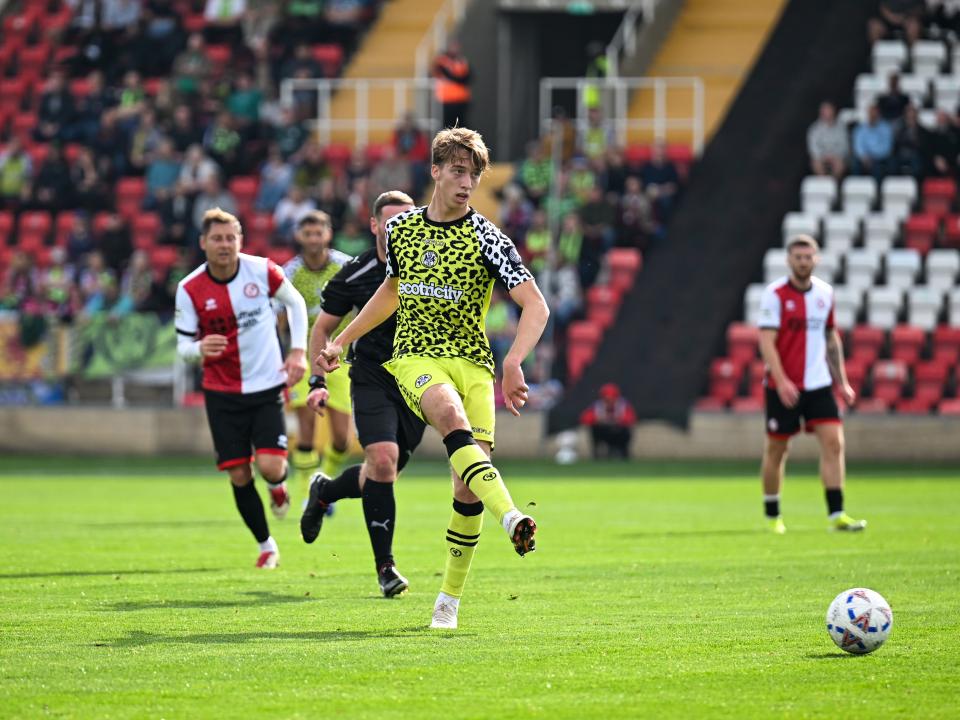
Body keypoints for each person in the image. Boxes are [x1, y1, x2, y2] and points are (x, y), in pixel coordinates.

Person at [316, 127, 550, 629]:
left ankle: (448, 601)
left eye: (475, 174)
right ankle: (511, 516)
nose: (468, 182)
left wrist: (513, 362)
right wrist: (343, 340)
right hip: (417, 357)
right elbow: (392, 292)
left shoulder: (487, 237)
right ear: (437, 171)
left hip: (475, 364)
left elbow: (536, 305)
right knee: (447, 414)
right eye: (459, 171)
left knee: (467, 490)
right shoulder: (404, 231)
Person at [299, 190, 427, 598]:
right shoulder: (355, 274)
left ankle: (325, 490)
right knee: (383, 461)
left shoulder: (432, 264)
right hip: (371, 377)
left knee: (382, 473)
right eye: (391, 222)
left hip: (419, 380)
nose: (399, 229)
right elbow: (322, 328)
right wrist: (317, 380)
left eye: (407, 220)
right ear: (374, 226)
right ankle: (385, 568)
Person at [175, 208, 308, 568]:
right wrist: (199, 350)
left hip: (266, 384)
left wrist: (298, 352)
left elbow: (295, 303)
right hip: (221, 392)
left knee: (270, 468)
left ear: (240, 241)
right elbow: (184, 347)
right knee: (238, 472)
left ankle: (278, 486)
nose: (224, 245)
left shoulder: (262, 271)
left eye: (230, 237)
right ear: (203, 243)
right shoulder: (189, 289)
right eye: (217, 238)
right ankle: (267, 545)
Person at [758, 235, 866, 535]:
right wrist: (781, 382)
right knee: (777, 450)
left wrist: (841, 383)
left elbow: (831, 339)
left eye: (808, 257)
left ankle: (837, 515)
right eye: (798, 257)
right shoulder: (774, 294)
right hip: (784, 387)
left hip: (818, 384)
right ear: (789, 260)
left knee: (834, 444)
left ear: (816, 259)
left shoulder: (824, 294)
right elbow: (767, 342)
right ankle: (772, 516)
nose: (803, 262)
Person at [281, 211, 354, 493]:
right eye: (307, 233)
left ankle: (327, 478)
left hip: (340, 358)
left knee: (341, 440)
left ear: (328, 233)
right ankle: (305, 492)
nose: (313, 238)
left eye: (318, 232)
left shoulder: (345, 267)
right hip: (305, 357)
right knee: (306, 430)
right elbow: (277, 315)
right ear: (299, 236)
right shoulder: (290, 272)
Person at [579, 383, 636, 460]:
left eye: (612, 398)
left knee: (626, 432)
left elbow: (631, 419)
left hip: (618, 433)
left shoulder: (623, 405)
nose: (609, 401)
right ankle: (597, 457)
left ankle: (624, 455)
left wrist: (618, 420)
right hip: (603, 432)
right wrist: (597, 420)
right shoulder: (597, 406)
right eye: (606, 399)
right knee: (595, 430)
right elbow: (585, 419)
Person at [432, 39, 471, 129]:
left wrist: (459, 79)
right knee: (448, 126)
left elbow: (469, 77)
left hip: (461, 99)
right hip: (446, 99)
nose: (455, 49)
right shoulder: (442, 61)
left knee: (461, 126)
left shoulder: (462, 61)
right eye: (453, 47)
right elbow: (450, 75)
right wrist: (459, 79)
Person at [806, 101, 849, 180]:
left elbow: (844, 146)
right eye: (825, 111)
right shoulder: (815, 128)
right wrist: (823, 156)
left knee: (840, 165)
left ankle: (833, 185)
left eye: (829, 110)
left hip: (837, 157)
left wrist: (834, 156)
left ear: (833, 111)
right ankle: (824, 184)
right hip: (821, 157)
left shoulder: (841, 128)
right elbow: (813, 147)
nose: (827, 113)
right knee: (816, 164)